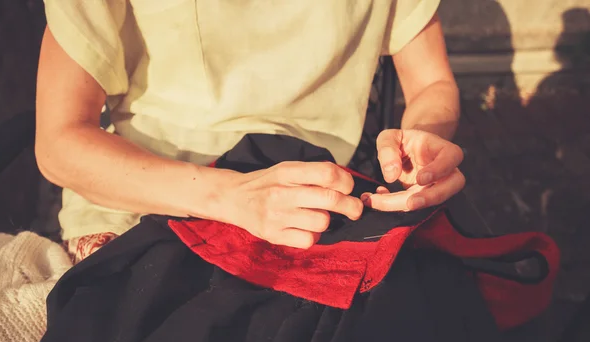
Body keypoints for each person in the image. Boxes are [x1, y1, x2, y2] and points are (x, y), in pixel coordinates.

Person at [35, 0, 464, 262]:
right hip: (149, 196)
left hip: (312, 201)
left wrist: (424, 136)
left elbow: (431, 84)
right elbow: (59, 140)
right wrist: (230, 196)